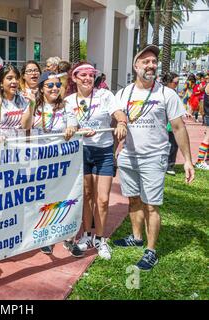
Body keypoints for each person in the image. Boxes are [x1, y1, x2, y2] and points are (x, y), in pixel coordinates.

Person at [113, 45, 195, 271]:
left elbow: (178, 127)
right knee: (133, 199)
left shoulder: (166, 93)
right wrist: (112, 154)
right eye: (146, 61)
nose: (151, 65)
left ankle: (150, 251)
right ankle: (136, 237)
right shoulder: (124, 93)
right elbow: (116, 121)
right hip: (128, 156)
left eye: (153, 62)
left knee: (151, 205)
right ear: (135, 66)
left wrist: (187, 160)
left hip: (154, 157)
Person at [65, 62, 128, 260]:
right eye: (82, 75)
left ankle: (100, 239)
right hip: (82, 153)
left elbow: (118, 113)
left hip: (103, 153)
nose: (87, 78)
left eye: (91, 75)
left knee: (103, 199)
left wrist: (122, 122)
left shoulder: (104, 95)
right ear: (74, 78)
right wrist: (76, 130)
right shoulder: (68, 101)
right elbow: (70, 126)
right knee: (87, 195)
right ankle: (85, 235)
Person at [31, 71, 83, 257]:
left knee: (67, 197)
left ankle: (69, 238)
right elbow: (25, 127)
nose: (54, 88)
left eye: (57, 85)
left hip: (64, 163)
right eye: (50, 85)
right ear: (42, 88)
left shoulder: (66, 106)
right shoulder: (34, 106)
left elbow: (73, 125)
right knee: (46, 199)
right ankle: (46, 237)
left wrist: (71, 126)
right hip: (41, 162)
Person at [0, 64, 35, 139]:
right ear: (1, 83)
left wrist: (32, 104)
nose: (14, 81)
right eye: (9, 78)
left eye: (17, 78)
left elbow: (25, 126)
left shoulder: (23, 99)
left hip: (19, 147)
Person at [161, 72, 180, 175]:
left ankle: (169, 164)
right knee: (172, 144)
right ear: (169, 82)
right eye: (176, 82)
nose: (177, 85)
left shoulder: (171, 92)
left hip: (169, 123)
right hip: (167, 123)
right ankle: (169, 165)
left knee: (172, 144)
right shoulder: (167, 93)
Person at [195, 76, 209, 170]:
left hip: (207, 115)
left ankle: (206, 161)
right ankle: (200, 162)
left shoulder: (206, 87)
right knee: (207, 139)